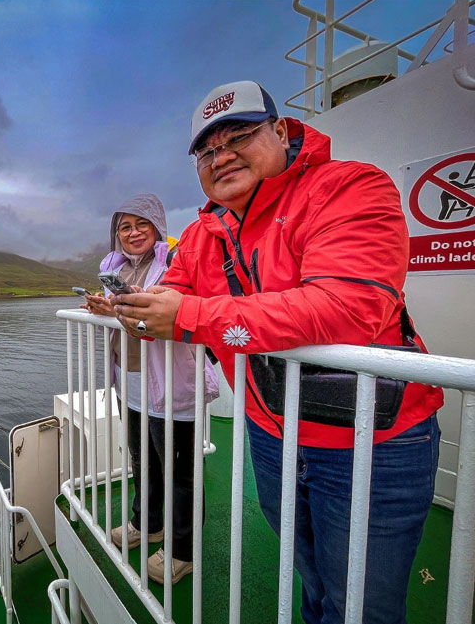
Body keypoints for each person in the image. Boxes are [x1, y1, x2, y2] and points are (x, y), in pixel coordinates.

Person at [111, 82, 444, 623]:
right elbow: (168, 302)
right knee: (311, 576)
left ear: (281, 132)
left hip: (372, 441)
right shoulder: (202, 233)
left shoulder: (349, 187)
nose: (222, 158)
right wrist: (140, 314)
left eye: (239, 136)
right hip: (272, 434)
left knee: (363, 605)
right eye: (207, 151)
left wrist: (188, 317)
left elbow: (350, 308)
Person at [82, 193, 220, 585]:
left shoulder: (175, 261)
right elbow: (128, 317)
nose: (133, 232)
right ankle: (147, 523)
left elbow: (183, 309)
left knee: (180, 473)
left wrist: (124, 313)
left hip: (172, 383)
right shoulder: (116, 267)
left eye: (141, 223)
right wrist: (106, 310)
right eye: (125, 226)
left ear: (157, 225)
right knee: (143, 461)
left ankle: (182, 552)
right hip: (130, 378)